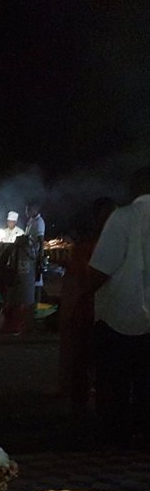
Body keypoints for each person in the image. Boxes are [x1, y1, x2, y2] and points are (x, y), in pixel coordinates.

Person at [86, 168, 150, 447]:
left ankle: (115, 442)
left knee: (115, 384)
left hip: (120, 318)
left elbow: (101, 269)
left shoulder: (124, 218)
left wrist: (80, 300)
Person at [59, 197, 116, 412]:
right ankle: (82, 405)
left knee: (99, 363)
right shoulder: (88, 246)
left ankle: (93, 404)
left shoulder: (102, 244)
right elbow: (84, 279)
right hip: (90, 312)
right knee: (85, 361)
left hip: (105, 313)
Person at [25, 201, 46, 295]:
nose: (26, 212)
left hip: (35, 255)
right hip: (29, 255)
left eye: (28, 210)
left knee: (37, 280)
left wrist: (40, 257)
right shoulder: (31, 221)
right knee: (30, 280)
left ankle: (37, 301)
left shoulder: (39, 222)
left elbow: (41, 241)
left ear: (34, 210)